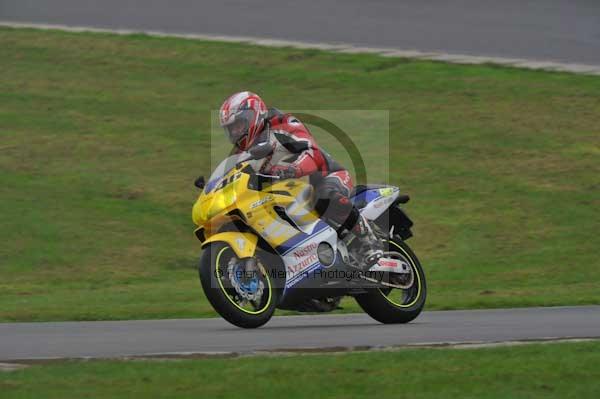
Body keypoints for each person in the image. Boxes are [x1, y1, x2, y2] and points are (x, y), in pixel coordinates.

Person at [219, 91, 383, 267]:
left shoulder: (283, 124)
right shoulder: (241, 156)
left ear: (254, 115)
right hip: (288, 193)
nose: (236, 132)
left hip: (327, 176)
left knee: (324, 196)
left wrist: (294, 169)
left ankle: (368, 240)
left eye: (238, 125)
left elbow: (313, 153)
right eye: (231, 128)